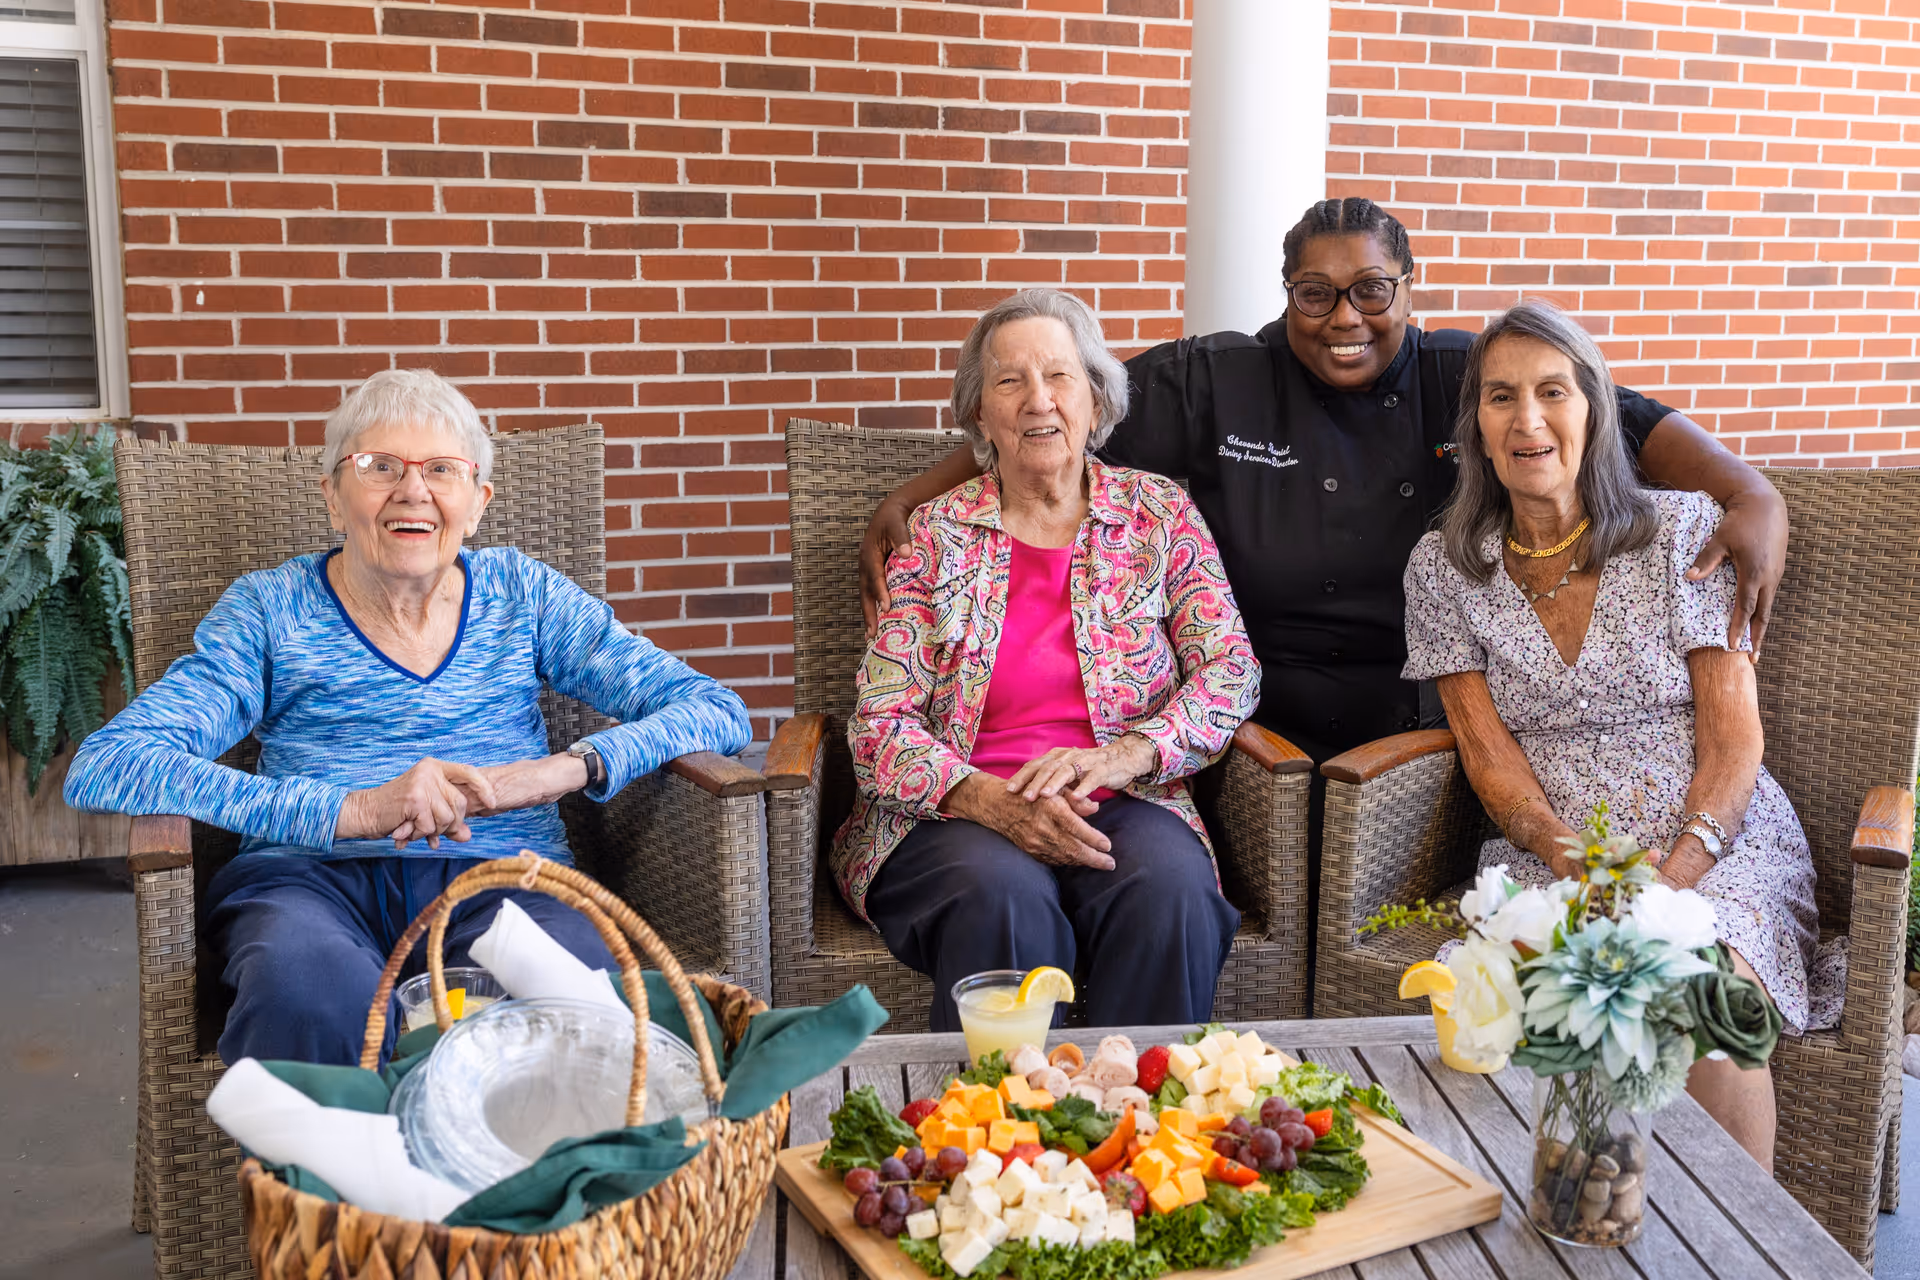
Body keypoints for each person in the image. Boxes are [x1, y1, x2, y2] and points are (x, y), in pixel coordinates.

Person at [859, 197, 1789, 771]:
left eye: (1372, 291)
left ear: (1410, 291)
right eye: (1315, 293)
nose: (1344, 317)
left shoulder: (1464, 375)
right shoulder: (1217, 377)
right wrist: (913, 496)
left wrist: (1750, 493)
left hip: (1425, 721)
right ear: (1286, 294)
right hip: (1260, 725)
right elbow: (1052, 419)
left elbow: (1611, 409)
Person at [65, 369, 752, 1066]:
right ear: (333, 496)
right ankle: (333, 1176)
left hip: (507, 873)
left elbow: (716, 709)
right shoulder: (270, 611)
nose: (412, 489)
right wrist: (353, 811)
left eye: (442, 471)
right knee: (312, 997)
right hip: (309, 883)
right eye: (379, 466)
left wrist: (561, 771)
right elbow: (110, 764)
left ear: (477, 503)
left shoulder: (524, 596)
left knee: (573, 1004)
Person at [1402, 298, 1827, 1170]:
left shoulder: (1679, 535)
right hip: (1555, 848)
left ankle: (1728, 1250)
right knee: (1491, 999)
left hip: (1717, 838)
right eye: (1500, 397)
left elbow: (1733, 742)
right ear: (1475, 428)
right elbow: (1491, 760)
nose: (1528, 420)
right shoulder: (1442, 567)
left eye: (1554, 392)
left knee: (1704, 992)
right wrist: (1577, 863)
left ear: (1593, 411)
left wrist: (1670, 883)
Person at [836, 288, 1259, 1031]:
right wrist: (987, 800)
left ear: (1096, 401)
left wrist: (1130, 755)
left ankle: (1141, 1127)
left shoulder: (1159, 515)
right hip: (951, 813)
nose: (1039, 400)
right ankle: (1000, 1138)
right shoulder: (935, 538)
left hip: (1126, 798)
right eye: (1010, 381)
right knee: (1002, 900)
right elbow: (880, 727)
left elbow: (1230, 670)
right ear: (979, 416)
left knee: (1171, 895)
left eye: (1060, 377)